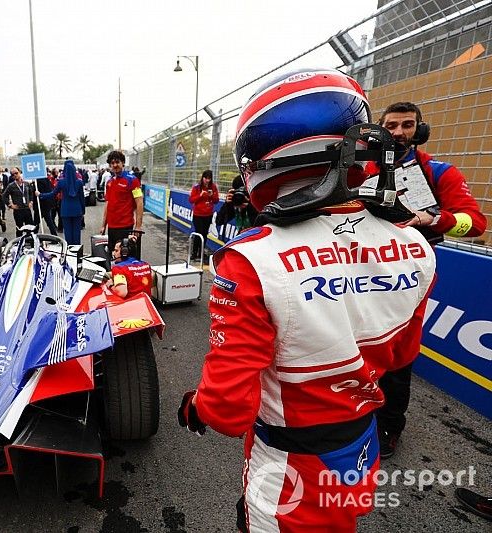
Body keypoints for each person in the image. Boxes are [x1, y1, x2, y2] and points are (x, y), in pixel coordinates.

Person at [177, 68, 437, 532]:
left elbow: (227, 410)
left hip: (291, 463)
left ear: (261, 162)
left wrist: (197, 405)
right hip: (360, 445)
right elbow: (400, 354)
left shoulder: (251, 259)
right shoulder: (417, 248)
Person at [368, 101, 487, 459]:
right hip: (361, 268)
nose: (399, 132)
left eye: (407, 125)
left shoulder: (439, 171)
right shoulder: (361, 169)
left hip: (412, 274)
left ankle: (389, 425)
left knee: (399, 353)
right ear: (380, 131)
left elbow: (476, 224)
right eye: (391, 126)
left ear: (419, 130)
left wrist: (431, 219)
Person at [100, 150, 144, 260]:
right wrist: (103, 225)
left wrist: (138, 227)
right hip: (112, 228)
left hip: (126, 228)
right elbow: (108, 204)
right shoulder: (109, 182)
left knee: (127, 260)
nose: (115, 165)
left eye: (117, 162)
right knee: (114, 259)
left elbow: (139, 202)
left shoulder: (132, 180)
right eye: (112, 163)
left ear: (123, 163)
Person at [40, 160, 85, 245]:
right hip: (77, 210)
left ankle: (69, 252)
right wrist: (83, 211)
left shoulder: (61, 182)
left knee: (67, 233)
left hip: (65, 210)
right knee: (77, 233)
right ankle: (77, 252)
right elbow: (82, 198)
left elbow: (52, 194)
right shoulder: (79, 182)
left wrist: (41, 194)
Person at [215, 175, 259, 241]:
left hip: (256, 240)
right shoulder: (235, 203)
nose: (239, 196)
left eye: (244, 192)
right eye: (237, 192)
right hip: (242, 238)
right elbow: (219, 221)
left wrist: (250, 206)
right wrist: (227, 204)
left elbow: (260, 226)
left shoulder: (258, 204)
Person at [188, 169, 219, 260]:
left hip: (208, 215)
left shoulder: (213, 187)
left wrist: (212, 195)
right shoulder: (197, 187)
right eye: (206, 178)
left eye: (209, 178)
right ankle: (194, 252)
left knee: (205, 234)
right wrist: (200, 195)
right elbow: (191, 200)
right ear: (203, 178)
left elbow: (216, 200)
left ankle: (201, 252)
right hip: (198, 215)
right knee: (199, 232)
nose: (207, 180)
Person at [1, 167, 34, 237]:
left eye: (16, 173)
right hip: (18, 211)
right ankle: (19, 244)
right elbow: (4, 196)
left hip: (27, 209)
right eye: (13, 174)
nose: (15, 175)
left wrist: (31, 201)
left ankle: (31, 243)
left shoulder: (26, 184)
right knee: (19, 229)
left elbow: (31, 193)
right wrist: (10, 205)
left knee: (30, 229)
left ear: (19, 172)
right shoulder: (11, 186)